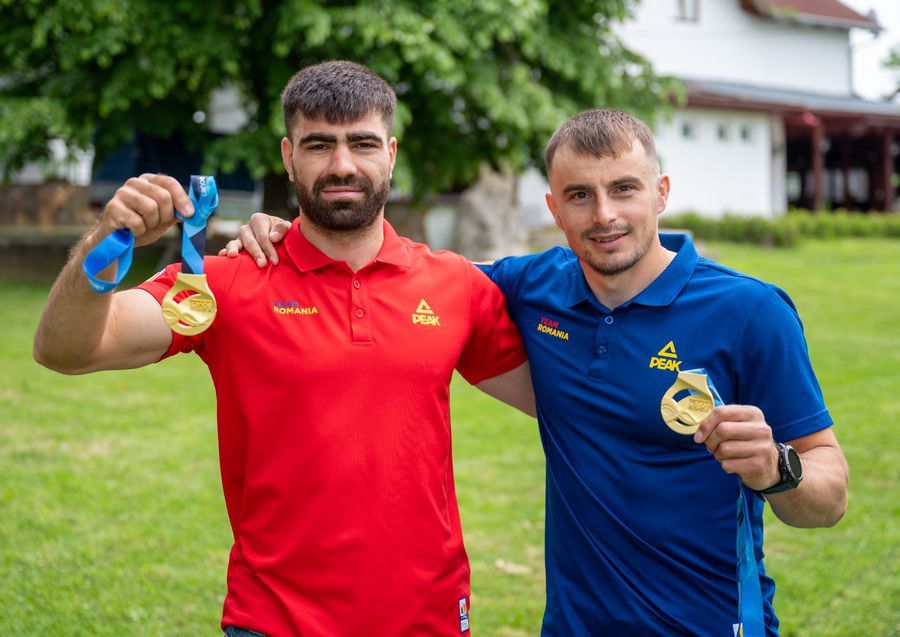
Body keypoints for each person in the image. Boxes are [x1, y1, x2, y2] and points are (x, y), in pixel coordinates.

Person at [232, 108, 849, 636]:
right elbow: (403, 273)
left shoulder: (750, 312)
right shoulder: (532, 287)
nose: (604, 214)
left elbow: (830, 498)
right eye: (580, 195)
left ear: (661, 192)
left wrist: (777, 469)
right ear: (555, 208)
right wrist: (290, 237)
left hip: (712, 622)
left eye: (625, 189)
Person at [33, 61, 536, 637]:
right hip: (276, 622)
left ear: (391, 153)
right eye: (319, 144)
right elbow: (66, 349)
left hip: (430, 617)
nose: (342, 164)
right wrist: (104, 244)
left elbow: (567, 404)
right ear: (288, 156)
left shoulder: (456, 284)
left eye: (362, 144)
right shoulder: (224, 281)